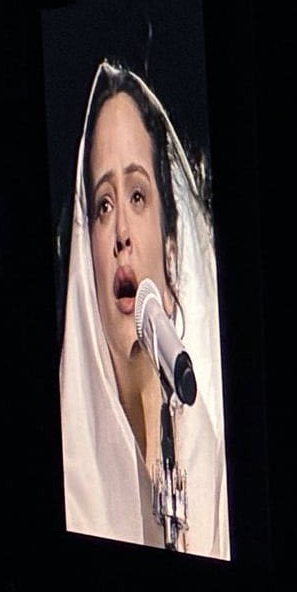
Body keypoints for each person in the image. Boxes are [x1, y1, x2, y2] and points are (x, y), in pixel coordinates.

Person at [59, 61, 230, 559]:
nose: (122, 236)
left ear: (171, 247)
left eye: (137, 195)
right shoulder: (71, 473)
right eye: (103, 205)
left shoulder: (218, 462)